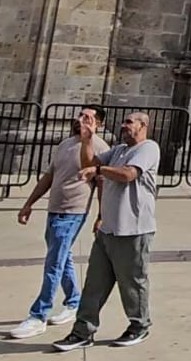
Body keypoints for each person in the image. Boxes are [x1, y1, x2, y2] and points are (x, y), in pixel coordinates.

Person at [52, 112, 160, 352]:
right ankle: (82, 331)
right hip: (108, 229)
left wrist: (99, 171)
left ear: (143, 126)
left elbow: (128, 175)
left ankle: (139, 325)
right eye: (123, 121)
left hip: (134, 230)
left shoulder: (149, 148)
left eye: (129, 122)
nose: (124, 125)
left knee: (132, 282)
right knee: (94, 284)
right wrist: (88, 139)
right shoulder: (119, 150)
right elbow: (89, 164)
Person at [10, 106, 111, 339]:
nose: (81, 120)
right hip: (54, 209)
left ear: (99, 125)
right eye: (80, 116)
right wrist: (29, 203)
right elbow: (49, 176)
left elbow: (102, 184)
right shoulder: (65, 144)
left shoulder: (100, 148)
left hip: (72, 212)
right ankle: (74, 301)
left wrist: (101, 215)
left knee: (53, 262)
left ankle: (38, 315)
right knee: (61, 256)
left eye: (88, 118)